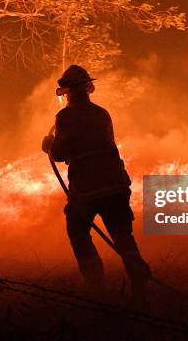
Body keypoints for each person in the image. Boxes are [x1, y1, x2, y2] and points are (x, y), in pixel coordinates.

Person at [41, 64, 151, 303]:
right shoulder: (102, 113)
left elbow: (60, 154)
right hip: (115, 185)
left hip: (87, 188)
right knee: (122, 236)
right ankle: (140, 285)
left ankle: (96, 286)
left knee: (77, 231)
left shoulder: (66, 117)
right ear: (88, 89)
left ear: (69, 92)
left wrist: (48, 144)